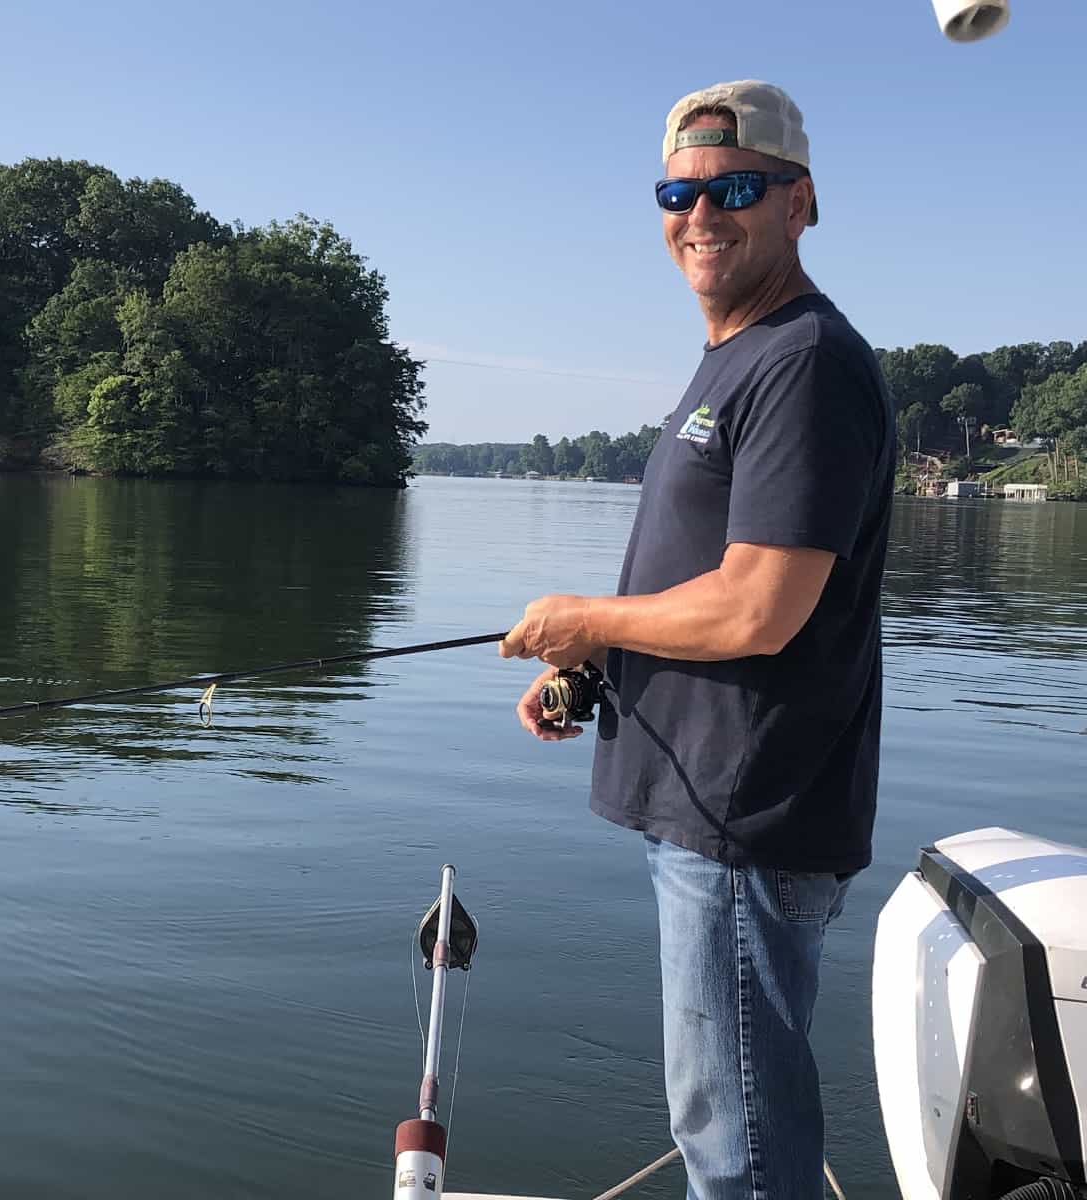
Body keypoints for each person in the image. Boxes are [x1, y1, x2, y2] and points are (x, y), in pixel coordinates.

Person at [499, 80, 895, 1200]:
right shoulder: (736, 355)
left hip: (744, 820)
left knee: (739, 1142)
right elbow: (700, 582)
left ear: (797, 202)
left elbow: (758, 608)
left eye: (733, 189)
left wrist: (583, 618)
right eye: (678, 191)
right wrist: (596, 665)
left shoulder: (803, 361)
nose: (701, 214)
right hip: (712, 810)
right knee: (729, 1119)